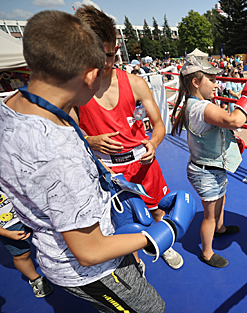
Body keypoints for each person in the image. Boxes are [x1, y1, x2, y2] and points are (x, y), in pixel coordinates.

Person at [0, 10, 167, 312]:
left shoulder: (11, 108)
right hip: (94, 268)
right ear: (91, 74)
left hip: (66, 242)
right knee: (152, 310)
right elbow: (89, 251)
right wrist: (159, 234)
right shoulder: (60, 155)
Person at [74, 5, 184, 270]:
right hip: (108, 170)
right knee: (122, 222)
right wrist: (90, 141)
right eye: (98, 55)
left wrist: (153, 143)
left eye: (111, 54)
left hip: (143, 164)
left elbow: (159, 125)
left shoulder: (135, 83)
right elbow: (68, 132)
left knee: (159, 209)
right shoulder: (75, 89)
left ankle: (164, 244)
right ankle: (134, 262)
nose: (106, 63)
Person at [171, 56, 247, 268]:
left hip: (212, 167)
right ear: (196, 82)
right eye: (212, 80)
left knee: (221, 200)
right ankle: (206, 252)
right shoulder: (200, 108)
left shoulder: (193, 104)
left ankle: (220, 229)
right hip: (206, 171)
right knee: (209, 215)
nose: (217, 84)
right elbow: (235, 120)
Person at [0, 190, 53, 298]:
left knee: (52, 236)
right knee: (22, 254)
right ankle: (35, 279)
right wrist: (6, 233)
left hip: (30, 210)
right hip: (8, 225)